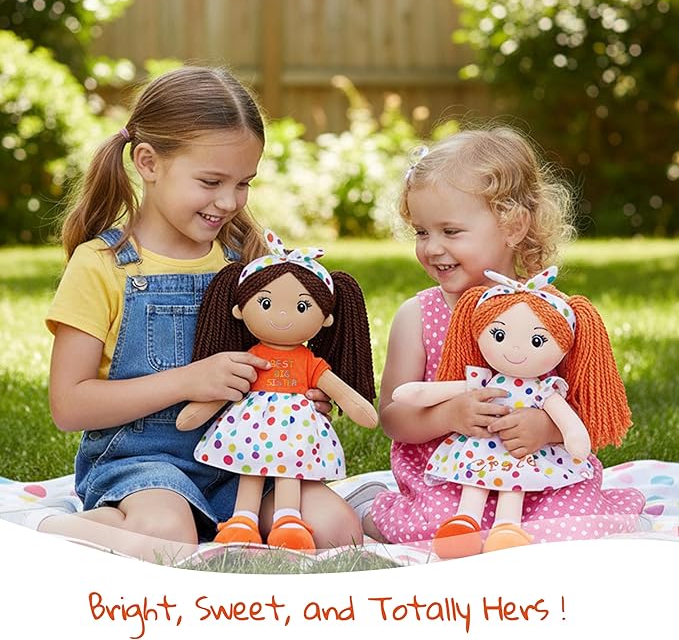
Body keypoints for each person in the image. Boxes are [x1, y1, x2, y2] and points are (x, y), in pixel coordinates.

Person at [3, 66, 362, 562]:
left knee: (338, 532)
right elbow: (69, 405)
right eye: (211, 181)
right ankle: (48, 527)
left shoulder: (247, 262)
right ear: (148, 162)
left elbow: (282, 350)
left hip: (245, 459)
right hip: (141, 464)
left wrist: (301, 395)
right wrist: (188, 381)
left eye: (244, 183)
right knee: (169, 540)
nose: (229, 201)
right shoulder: (102, 265)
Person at [363, 126, 645, 547]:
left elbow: (587, 408)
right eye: (422, 232)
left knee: (575, 526)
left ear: (513, 227)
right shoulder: (419, 315)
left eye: (450, 231)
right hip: (451, 480)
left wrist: (546, 428)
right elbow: (392, 416)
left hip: (541, 475)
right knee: (436, 529)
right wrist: (448, 416)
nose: (432, 247)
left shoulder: (549, 314)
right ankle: (383, 512)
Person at [178, 228, 377, 550]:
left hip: (295, 431)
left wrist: (359, 407)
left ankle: (288, 519)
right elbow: (227, 387)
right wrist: (196, 412)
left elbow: (341, 392)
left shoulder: (309, 362)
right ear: (239, 309)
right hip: (250, 428)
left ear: (326, 318)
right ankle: (243, 519)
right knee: (249, 466)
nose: (282, 315)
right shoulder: (250, 357)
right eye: (267, 303)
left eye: (302, 307)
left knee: (290, 468)